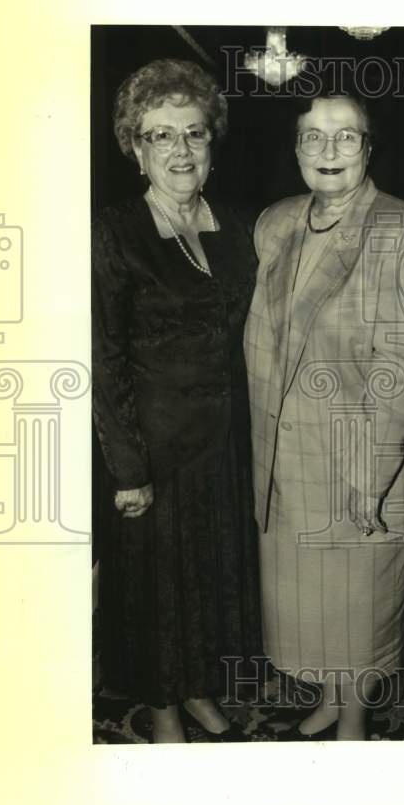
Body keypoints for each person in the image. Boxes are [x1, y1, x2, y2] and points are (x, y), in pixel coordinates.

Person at [244, 92, 404, 740]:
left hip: (360, 462)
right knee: (315, 610)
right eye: (312, 138)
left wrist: (366, 476)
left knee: (355, 612)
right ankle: (329, 698)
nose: (328, 152)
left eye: (345, 137)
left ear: (370, 147)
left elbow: (400, 367)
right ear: (294, 148)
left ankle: (352, 725)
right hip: (289, 461)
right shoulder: (275, 223)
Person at [92, 58, 262, 743]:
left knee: (208, 575)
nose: (181, 150)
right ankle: (162, 706)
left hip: (225, 440)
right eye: (161, 136)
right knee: (156, 584)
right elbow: (101, 358)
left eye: (194, 133)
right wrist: (127, 468)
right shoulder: (115, 231)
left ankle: (195, 688)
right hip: (154, 443)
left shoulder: (240, 225)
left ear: (212, 144)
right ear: (136, 149)